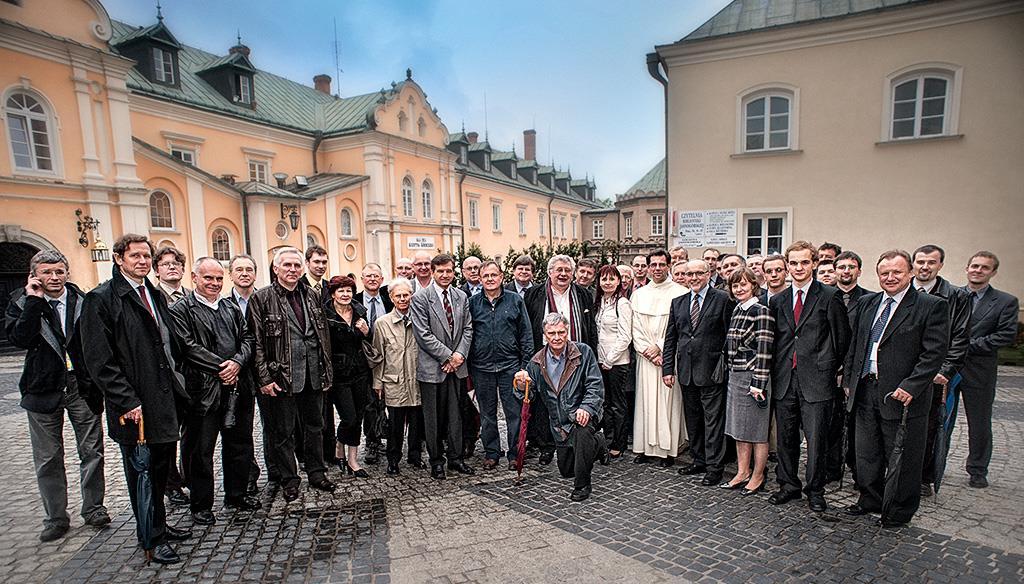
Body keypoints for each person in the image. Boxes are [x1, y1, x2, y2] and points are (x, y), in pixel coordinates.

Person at [81, 234, 191, 564]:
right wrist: (126, 400)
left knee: (160, 468)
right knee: (141, 474)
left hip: (162, 398)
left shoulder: (151, 293)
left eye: (146, 256)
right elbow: (99, 359)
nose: (142, 261)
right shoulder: (102, 299)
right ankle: (151, 539)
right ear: (119, 259)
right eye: (135, 256)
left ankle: (159, 524)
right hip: (134, 405)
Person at [5, 249, 109, 542]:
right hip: (42, 388)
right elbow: (20, 338)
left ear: (67, 273)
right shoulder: (21, 302)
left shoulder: (84, 301)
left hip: (81, 386)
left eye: (59, 271)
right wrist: (34, 302)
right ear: (34, 275)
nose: (54, 277)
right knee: (48, 457)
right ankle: (56, 517)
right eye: (47, 272)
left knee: (92, 450)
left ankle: (94, 508)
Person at [843, 250, 949, 527]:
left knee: (902, 456)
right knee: (867, 452)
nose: (890, 278)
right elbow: (858, 345)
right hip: (866, 388)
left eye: (897, 272)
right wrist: (849, 381)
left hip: (901, 396)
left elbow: (934, 354)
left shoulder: (930, 306)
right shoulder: (868, 303)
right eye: (884, 273)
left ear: (910, 273)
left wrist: (911, 386)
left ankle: (898, 511)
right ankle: (870, 499)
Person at [169, 258, 259, 526]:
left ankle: (236, 494)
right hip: (202, 391)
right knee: (200, 450)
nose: (214, 284)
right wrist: (222, 366)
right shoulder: (181, 309)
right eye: (208, 278)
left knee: (239, 444)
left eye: (219, 279)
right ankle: (201, 504)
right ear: (194, 278)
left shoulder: (231, 307)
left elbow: (247, 339)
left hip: (237, 388)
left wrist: (238, 363)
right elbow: (187, 346)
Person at [247, 247, 336, 502]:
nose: (293, 270)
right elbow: (257, 342)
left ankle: (317, 472)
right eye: (287, 265)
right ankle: (289, 479)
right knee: (283, 431)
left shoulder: (311, 294)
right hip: (282, 375)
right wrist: (264, 378)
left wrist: (326, 370)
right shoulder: (261, 299)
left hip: (312, 373)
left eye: (297, 265)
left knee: (316, 426)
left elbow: (322, 335)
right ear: (276, 269)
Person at [768, 241, 850, 513]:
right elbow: (778, 339)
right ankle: (788, 485)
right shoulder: (778, 300)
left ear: (814, 263)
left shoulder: (829, 296)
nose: (799, 268)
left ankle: (815, 490)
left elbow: (841, 340)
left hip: (817, 380)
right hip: (784, 379)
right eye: (794, 263)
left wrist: (829, 369)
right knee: (786, 438)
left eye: (804, 262)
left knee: (816, 440)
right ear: (787, 266)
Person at [515, 313, 606, 501]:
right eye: (551, 333)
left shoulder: (583, 352)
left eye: (561, 332)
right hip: (558, 422)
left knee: (582, 436)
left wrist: (587, 408)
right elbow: (528, 396)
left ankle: (582, 486)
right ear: (544, 335)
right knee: (566, 470)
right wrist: (521, 384)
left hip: (582, 414)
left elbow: (595, 385)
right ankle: (599, 443)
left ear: (568, 332)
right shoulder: (536, 361)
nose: (556, 337)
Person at [663, 258, 733, 483]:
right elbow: (671, 338)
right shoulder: (678, 302)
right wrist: (668, 369)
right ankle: (698, 459)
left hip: (712, 371)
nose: (693, 278)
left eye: (698, 273)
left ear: (708, 274)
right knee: (693, 419)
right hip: (686, 371)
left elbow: (729, 336)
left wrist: (724, 366)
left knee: (713, 421)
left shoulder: (722, 299)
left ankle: (714, 467)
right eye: (689, 274)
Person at [524, 255, 598, 465]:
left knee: (574, 401)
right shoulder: (534, 294)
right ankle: (547, 446)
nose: (563, 274)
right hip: (546, 357)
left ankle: (577, 443)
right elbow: (528, 327)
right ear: (550, 273)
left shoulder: (583, 294)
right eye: (559, 270)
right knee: (546, 403)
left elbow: (590, 327)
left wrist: (591, 355)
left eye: (567, 270)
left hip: (576, 358)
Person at [912, 244, 971, 497]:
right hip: (905, 371)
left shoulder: (956, 296)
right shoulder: (904, 291)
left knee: (930, 426)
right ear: (913, 264)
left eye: (931, 262)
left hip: (935, 374)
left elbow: (960, 337)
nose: (925, 267)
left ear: (940, 265)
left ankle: (924, 477)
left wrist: (945, 370)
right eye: (921, 262)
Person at [410, 253, 475, 479]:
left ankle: (456, 458)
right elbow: (423, 334)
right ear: (433, 272)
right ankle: (436, 460)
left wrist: (458, 356)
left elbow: (468, 329)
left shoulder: (461, 296)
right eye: (441, 271)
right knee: (433, 418)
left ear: (454, 272)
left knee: (456, 415)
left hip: (457, 367)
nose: (445, 275)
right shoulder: (420, 298)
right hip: (432, 368)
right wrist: (447, 357)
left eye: (449, 271)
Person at [959, 251, 1018, 488]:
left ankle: (977, 469)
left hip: (979, 369)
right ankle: (932, 471)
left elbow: (1005, 335)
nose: (978, 270)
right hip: (948, 369)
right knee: (939, 421)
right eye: (974, 266)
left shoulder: (1005, 301)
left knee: (979, 422)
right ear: (967, 268)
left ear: (993, 272)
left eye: (984, 267)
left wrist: (968, 346)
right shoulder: (953, 296)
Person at [468, 261, 534, 470]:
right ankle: (492, 452)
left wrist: (525, 366)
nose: (489, 279)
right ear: (480, 279)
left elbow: (526, 334)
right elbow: (467, 335)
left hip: (510, 367)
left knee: (513, 413)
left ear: (501, 276)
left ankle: (514, 453)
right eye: (485, 275)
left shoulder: (515, 301)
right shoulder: (473, 303)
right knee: (487, 414)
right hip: (482, 367)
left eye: (493, 275)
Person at [632, 249, 688, 467]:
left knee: (668, 404)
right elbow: (635, 328)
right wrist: (648, 351)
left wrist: (662, 350)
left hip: (669, 358)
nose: (657, 269)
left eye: (661, 265)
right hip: (646, 360)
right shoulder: (639, 294)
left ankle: (668, 450)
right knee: (646, 403)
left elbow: (681, 328)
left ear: (669, 266)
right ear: (647, 267)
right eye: (652, 265)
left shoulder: (680, 292)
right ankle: (646, 448)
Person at [721, 268, 774, 495]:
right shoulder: (737, 310)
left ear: (753, 285)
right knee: (739, 429)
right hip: (735, 375)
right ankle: (742, 472)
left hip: (754, 378)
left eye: (743, 284)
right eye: (735, 286)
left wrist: (758, 383)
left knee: (757, 431)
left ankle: (758, 475)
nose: (739, 289)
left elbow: (764, 349)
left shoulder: (760, 311)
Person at [365, 278, 424, 474]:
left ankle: (415, 456)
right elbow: (378, 356)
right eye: (398, 295)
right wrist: (377, 382)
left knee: (417, 422)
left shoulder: (420, 319)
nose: (402, 299)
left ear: (411, 296)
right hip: (394, 380)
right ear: (391, 298)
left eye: (406, 295)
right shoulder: (382, 324)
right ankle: (393, 459)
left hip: (416, 378)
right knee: (395, 425)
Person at [323, 276, 373, 478]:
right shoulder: (326, 316)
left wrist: (366, 331)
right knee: (349, 417)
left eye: (349, 291)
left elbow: (368, 340)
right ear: (333, 294)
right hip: (339, 375)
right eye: (341, 291)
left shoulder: (360, 312)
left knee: (358, 416)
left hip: (360, 372)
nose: (345, 295)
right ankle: (338, 444)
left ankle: (352, 459)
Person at [153, 246, 190, 505]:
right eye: (166, 264)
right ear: (157, 270)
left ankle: (189, 477)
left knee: (191, 433)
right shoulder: (152, 298)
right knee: (167, 435)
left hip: (191, 376)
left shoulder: (189, 297)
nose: (172, 267)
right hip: (164, 376)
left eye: (176, 263)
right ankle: (171, 483)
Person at [226, 254, 262, 496]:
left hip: (266, 369)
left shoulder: (264, 298)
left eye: (249, 269)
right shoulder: (224, 303)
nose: (244, 273)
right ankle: (248, 474)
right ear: (231, 274)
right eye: (239, 269)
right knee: (241, 429)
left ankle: (277, 470)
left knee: (274, 426)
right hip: (239, 373)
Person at [354, 263, 391, 464]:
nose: (372, 279)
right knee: (369, 403)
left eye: (376, 276)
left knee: (387, 399)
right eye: (368, 276)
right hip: (365, 359)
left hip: (389, 357)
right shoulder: (354, 301)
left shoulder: (389, 299)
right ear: (362, 279)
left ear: (382, 279)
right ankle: (372, 442)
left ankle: (388, 437)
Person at [594, 265, 632, 458]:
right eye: (604, 279)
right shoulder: (599, 302)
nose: (607, 283)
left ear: (618, 281)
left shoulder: (622, 303)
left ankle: (619, 442)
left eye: (611, 279)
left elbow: (625, 336)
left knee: (618, 404)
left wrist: (610, 359)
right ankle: (608, 441)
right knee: (605, 403)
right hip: (601, 361)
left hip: (617, 362)